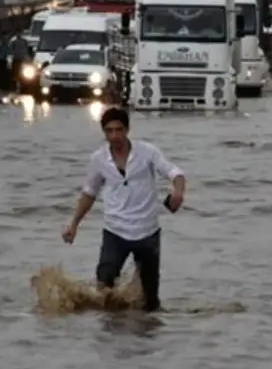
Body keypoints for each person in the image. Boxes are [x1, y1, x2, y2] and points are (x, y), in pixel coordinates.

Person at [62, 107, 186, 312]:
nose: (115, 136)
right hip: (115, 231)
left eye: (119, 130)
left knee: (151, 300)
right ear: (104, 132)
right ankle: (110, 336)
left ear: (127, 130)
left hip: (147, 232)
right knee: (104, 288)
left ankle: (148, 338)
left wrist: (178, 193)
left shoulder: (147, 152)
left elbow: (175, 173)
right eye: (109, 131)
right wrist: (73, 224)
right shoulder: (99, 159)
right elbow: (89, 193)